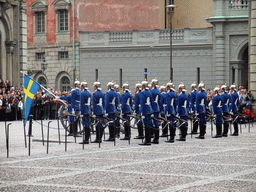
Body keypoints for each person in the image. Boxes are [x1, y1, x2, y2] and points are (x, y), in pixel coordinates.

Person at [139, 80, 153, 145]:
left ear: (143, 86)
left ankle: (147, 140)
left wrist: (143, 113)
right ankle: (149, 139)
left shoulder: (143, 92)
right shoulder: (149, 92)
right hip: (149, 110)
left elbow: (142, 103)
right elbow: (151, 102)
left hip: (145, 111)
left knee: (146, 125)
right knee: (149, 125)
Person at [150, 78, 161, 144]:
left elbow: (151, 101)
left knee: (153, 123)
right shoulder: (158, 91)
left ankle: (154, 137)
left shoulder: (152, 91)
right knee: (156, 123)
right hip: (157, 108)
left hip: (153, 108)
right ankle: (156, 138)